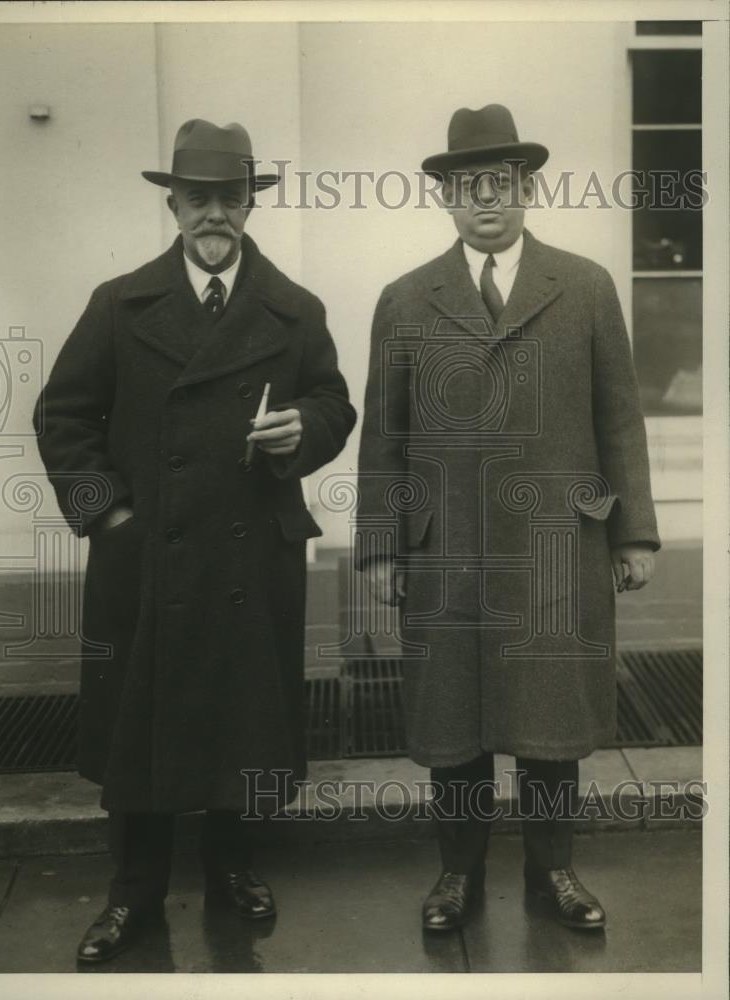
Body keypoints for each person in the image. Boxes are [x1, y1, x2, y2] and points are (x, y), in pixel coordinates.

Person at [33, 118, 356, 962]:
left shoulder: (293, 308)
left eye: (230, 197)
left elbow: (332, 402)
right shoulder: (119, 302)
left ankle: (232, 870)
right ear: (172, 204)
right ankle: (131, 894)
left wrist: (305, 430)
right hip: (148, 557)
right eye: (198, 197)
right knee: (141, 728)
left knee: (241, 721)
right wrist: (109, 515)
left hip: (252, 553)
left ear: (250, 204)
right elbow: (63, 418)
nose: (214, 213)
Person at [355, 104, 658, 933]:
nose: (484, 197)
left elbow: (619, 418)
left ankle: (553, 869)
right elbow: (385, 435)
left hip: (555, 543)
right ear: (446, 198)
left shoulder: (585, 287)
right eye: (465, 184)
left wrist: (631, 533)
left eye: (500, 181)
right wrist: (381, 548)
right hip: (444, 551)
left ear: (526, 188)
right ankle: (456, 874)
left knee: (550, 718)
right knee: (451, 721)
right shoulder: (406, 299)